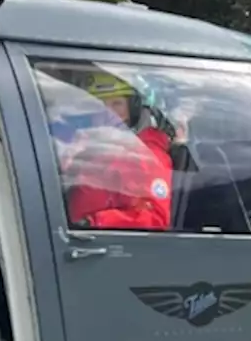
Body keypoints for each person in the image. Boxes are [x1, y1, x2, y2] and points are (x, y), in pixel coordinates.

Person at [57, 71, 175, 231]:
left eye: (117, 104)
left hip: (99, 244)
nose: (108, 112)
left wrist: (95, 222)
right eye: (100, 105)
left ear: (133, 109)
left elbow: (155, 219)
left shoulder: (147, 156)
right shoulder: (85, 148)